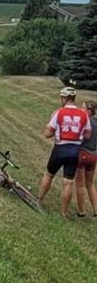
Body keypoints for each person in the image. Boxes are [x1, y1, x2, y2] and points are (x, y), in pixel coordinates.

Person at [38, 86, 92, 218]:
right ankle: (63, 213)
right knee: (68, 182)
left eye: (62, 97)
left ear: (65, 98)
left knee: (49, 174)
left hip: (60, 148)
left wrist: (50, 130)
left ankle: (39, 200)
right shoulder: (83, 114)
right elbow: (88, 135)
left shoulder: (59, 112)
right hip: (74, 151)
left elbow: (47, 133)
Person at [75, 100, 97, 217]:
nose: (80, 109)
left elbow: (80, 139)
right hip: (93, 155)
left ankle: (81, 211)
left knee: (80, 184)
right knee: (90, 184)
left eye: (83, 108)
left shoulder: (85, 122)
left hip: (83, 154)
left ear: (89, 111)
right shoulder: (96, 122)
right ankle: (96, 209)